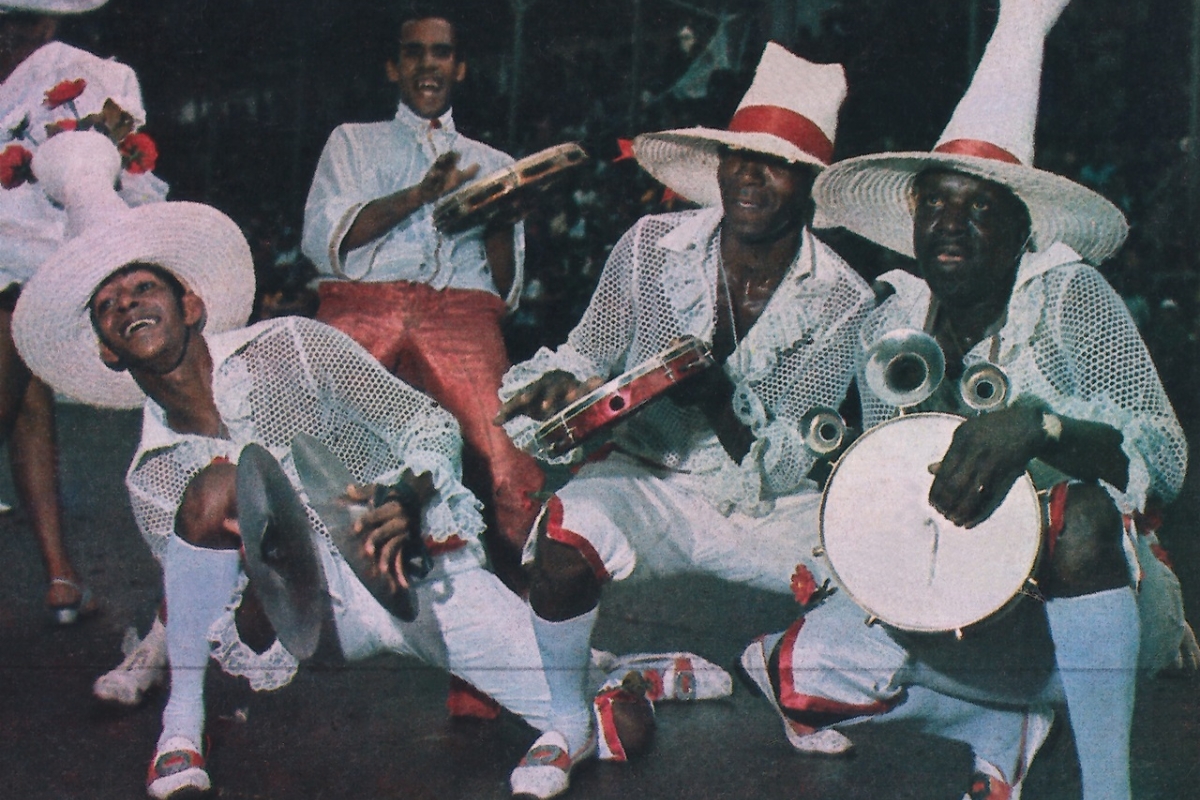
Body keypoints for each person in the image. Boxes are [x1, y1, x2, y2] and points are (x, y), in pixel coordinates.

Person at [14, 130, 720, 800]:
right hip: (324, 623)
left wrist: (409, 496)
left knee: (617, 730)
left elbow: (424, 421)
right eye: (108, 307)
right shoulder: (151, 475)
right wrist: (268, 571)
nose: (127, 307)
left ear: (190, 302)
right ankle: (181, 726)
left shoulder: (289, 344)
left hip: (419, 570)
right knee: (218, 484)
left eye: (142, 289)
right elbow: (242, 641)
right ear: (108, 348)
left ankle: (626, 673)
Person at [744, 1, 1196, 798]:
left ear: (1023, 229)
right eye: (936, 205)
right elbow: (833, 462)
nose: (950, 224)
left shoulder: (1067, 296)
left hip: (1073, 618)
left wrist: (1042, 425)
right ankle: (1000, 728)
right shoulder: (888, 314)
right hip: (944, 612)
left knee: (1085, 513)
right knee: (791, 676)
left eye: (979, 207)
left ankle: (1108, 789)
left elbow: (1163, 453)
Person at [496, 43, 875, 799]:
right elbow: (583, 352)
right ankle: (568, 721)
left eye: (772, 164)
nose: (746, 177)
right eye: (738, 157)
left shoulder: (845, 299)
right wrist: (560, 389)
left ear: (806, 185)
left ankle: (795, 685)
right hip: (649, 479)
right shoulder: (648, 245)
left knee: (869, 585)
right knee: (565, 542)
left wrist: (717, 400)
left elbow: (786, 460)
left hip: (764, 500)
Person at [301, 3, 543, 576]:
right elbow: (324, 240)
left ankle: (517, 612)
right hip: (364, 304)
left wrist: (503, 222)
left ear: (460, 68)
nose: (427, 65)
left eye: (442, 53)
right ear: (393, 67)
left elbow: (503, 293)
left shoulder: (495, 162)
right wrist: (418, 194)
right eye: (414, 52)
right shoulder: (353, 143)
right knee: (305, 437)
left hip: (459, 314)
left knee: (508, 466)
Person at [0, 0, 166, 626]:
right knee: (28, 409)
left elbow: (124, 167)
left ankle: (65, 578)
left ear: (42, 22)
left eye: (13, 18)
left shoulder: (73, 71)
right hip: (21, 264)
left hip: (33, 264)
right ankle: (60, 578)